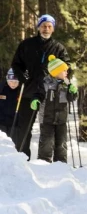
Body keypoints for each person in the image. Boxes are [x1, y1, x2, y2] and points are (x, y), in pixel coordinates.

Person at [11, 14, 70, 158]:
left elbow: (66, 68)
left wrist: (62, 79)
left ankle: (51, 161)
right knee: (25, 127)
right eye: (44, 26)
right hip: (29, 91)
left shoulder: (58, 48)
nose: (46, 29)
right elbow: (16, 64)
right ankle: (22, 157)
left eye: (49, 26)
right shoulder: (26, 44)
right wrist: (21, 76)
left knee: (49, 130)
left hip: (50, 94)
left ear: (53, 29)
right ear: (38, 27)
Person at [31, 56, 77, 163]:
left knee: (61, 144)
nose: (66, 72)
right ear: (56, 72)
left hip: (61, 120)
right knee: (47, 143)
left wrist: (73, 92)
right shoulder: (45, 83)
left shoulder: (66, 84)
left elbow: (71, 98)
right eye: (64, 70)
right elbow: (38, 94)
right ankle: (44, 163)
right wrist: (35, 100)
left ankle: (61, 164)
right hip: (47, 119)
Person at [0, 69, 21, 141]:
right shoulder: (2, 88)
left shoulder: (21, 90)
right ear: (7, 80)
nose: (13, 84)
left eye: (16, 82)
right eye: (11, 81)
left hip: (15, 124)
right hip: (2, 123)